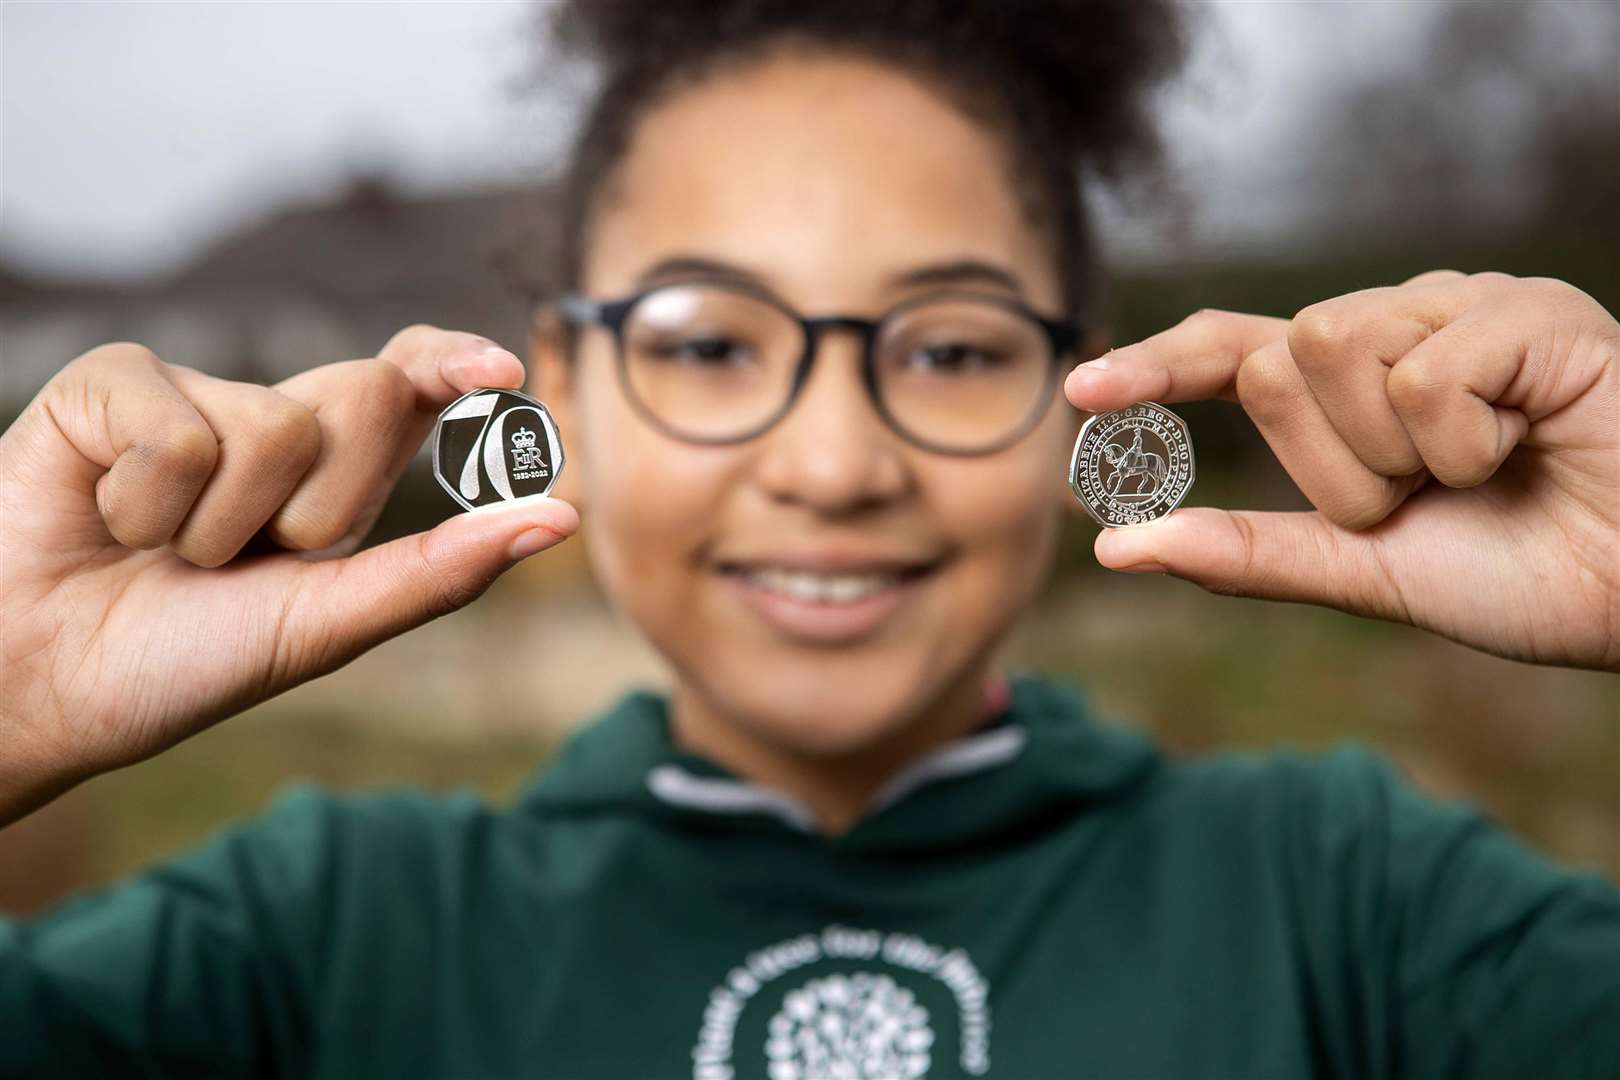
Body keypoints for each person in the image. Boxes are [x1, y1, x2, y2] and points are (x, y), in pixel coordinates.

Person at [2, 1, 1617, 1076]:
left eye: (953, 344)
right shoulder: (319, 938)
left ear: (1087, 394)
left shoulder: (1351, 903)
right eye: (710, 345)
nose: (835, 463)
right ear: (563, 388)